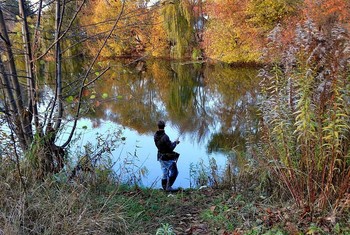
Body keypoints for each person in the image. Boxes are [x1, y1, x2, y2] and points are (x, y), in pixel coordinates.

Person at [154, 120, 180, 192]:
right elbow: (170, 148)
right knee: (174, 172)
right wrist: (175, 143)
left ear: (158, 126)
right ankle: (168, 187)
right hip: (166, 158)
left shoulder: (155, 135)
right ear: (164, 126)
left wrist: (172, 143)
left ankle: (164, 187)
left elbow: (163, 146)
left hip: (160, 156)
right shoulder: (165, 137)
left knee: (165, 172)